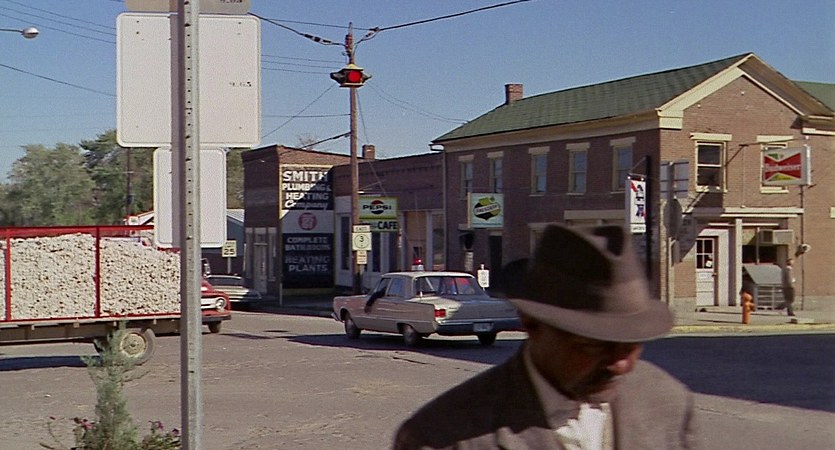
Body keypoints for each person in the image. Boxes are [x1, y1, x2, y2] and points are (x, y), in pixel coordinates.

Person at [393, 224, 699, 449]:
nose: (620, 364)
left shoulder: (668, 401)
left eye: (631, 344)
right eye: (593, 345)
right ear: (532, 324)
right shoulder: (442, 437)